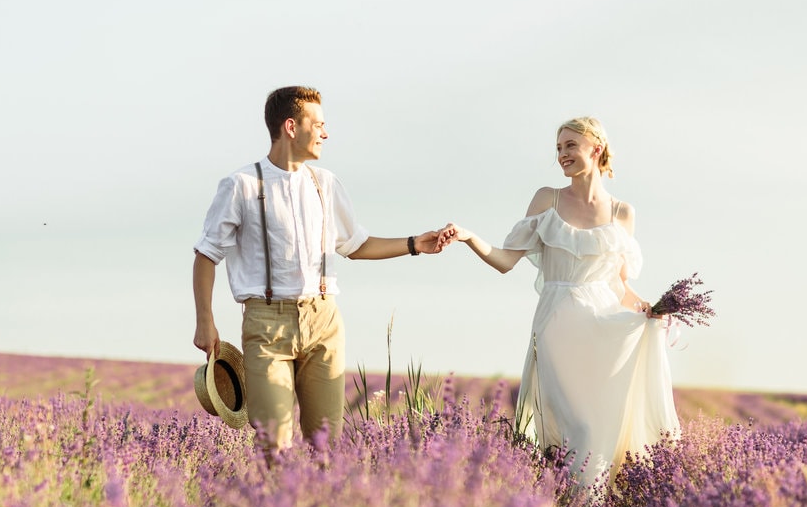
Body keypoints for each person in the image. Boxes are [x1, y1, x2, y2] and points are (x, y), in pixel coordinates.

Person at [193, 86, 450, 459]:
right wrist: (205, 321)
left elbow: (356, 245)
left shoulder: (325, 184)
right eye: (320, 125)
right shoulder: (241, 185)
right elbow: (206, 255)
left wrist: (414, 244)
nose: (326, 134)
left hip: (324, 321)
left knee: (326, 444)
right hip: (267, 326)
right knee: (274, 443)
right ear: (292, 127)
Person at [443, 116, 680, 485]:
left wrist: (652, 309)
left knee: (600, 430)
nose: (562, 155)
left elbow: (619, 285)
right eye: (558, 148)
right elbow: (506, 261)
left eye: (570, 145)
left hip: (604, 332)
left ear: (596, 148)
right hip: (557, 326)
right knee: (577, 428)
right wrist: (469, 237)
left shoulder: (622, 212)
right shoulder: (546, 199)